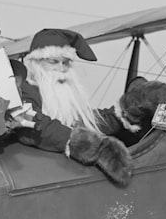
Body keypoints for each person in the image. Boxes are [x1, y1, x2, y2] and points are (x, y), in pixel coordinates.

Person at [15, 29, 136, 186]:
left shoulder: (62, 89)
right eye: (53, 62)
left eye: (66, 62)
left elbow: (85, 121)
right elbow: (35, 125)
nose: (61, 68)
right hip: (37, 173)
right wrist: (91, 146)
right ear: (35, 63)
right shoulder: (24, 90)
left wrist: (126, 111)